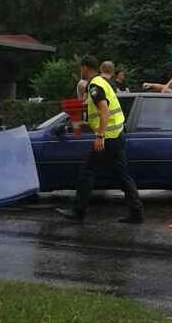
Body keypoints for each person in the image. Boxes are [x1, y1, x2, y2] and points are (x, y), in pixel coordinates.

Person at [58, 55, 144, 224]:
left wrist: (100, 136)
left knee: (87, 172)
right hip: (116, 135)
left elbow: (104, 111)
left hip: (108, 138)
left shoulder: (95, 85)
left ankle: (78, 211)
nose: (80, 71)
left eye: (80, 68)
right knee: (123, 176)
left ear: (85, 68)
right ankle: (136, 212)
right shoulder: (102, 82)